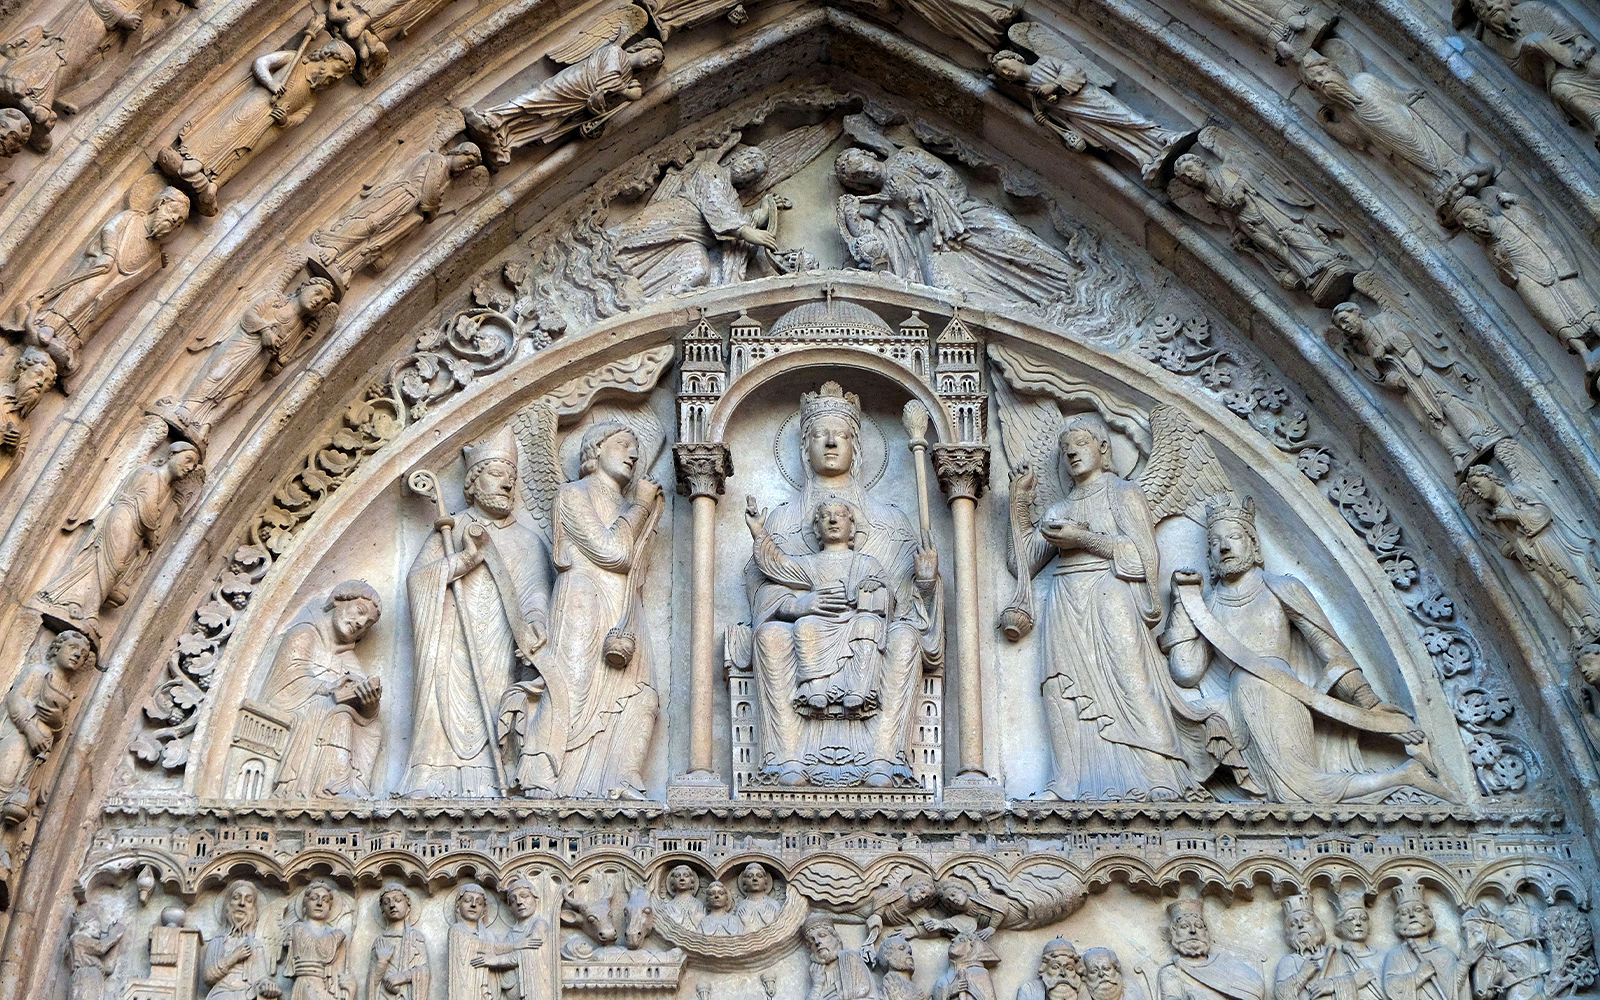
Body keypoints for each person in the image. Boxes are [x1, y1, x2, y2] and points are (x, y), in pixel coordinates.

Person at [1165, 497, 1455, 803]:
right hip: (1234, 702)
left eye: (1234, 538)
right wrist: (1182, 603)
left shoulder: (1281, 588)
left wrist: (1370, 709)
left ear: (1254, 545)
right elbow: (1186, 672)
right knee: (1177, 728)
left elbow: (1331, 651)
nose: (1223, 547)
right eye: (1214, 543)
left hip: (1276, 693)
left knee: (1300, 792)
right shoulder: (1209, 606)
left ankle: (1404, 775)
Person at [1012, 415, 1233, 801]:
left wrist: (1084, 538)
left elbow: (1143, 559)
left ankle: (1159, 777)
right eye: (1066, 449)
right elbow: (1023, 565)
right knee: (1061, 685)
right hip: (1066, 599)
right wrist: (1018, 506)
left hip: (1112, 595)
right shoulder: (1059, 509)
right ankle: (1068, 783)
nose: (1072, 452)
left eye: (1081, 442)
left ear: (1103, 448)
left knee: (1132, 682)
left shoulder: (1124, 494)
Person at [745, 383, 940, 787]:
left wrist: (925, 583)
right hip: (811, 626)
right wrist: (800, 605)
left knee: (903, 639)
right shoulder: (780, 521)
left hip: (871, 629)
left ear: (859, 448)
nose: (831, 442)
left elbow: (908, 606)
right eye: (819, 434)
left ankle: (883, 761)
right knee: (770, 636)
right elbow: (767, 582)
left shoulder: (890, 521)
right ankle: (787, 762)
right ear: (803, 448)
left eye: (843, 435)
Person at [506, 421, 661, 799]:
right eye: (624, 443)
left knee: (642, 695)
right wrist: (641, 504)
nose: (634, 453)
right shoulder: (574, 495)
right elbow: (614, 551)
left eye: (636, 446)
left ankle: (621, 777)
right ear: (595, 450)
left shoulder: (626, 506)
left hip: (623, 610)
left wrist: (644, 511)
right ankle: (543, 774)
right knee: (569, 688)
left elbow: (637, 560)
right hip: (584, 602)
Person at [406, 426, 551, 797]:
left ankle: (489, 778)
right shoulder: (451, 531)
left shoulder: (528, 541)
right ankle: (432, 777)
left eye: (512, 477)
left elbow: (536, 593)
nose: (508, 485)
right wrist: (465, 559)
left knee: (496, 702)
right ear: (472, 481)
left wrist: (535, 626)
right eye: (497, 474)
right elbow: (419, 581)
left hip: (502, 643)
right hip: (452, 637)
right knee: (445, 701)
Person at [157, 33, 357, 215]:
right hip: (257, 104)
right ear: (327, 57)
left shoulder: (313, 98)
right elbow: (261, 63)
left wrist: (285, 120)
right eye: (338, 70)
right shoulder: (296, 59)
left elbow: (300, 118)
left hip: (269, 126)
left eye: (341, 77)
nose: (337, 77)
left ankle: (213, 183)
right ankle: (195, 160)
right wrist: (271, 83)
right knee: (230, 129)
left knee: (244, 153)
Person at [37, 441, 202, 642]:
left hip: (136, 530)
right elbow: (146, 509)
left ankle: (73, 600)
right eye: (188, 460)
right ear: (172, 454)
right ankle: (89, 612)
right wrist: (151, 535)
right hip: (124, 518)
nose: (189, 467)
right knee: (111, 564)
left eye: (193, 466)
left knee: (113, 567)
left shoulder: (170, 493)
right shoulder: (149, 473)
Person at [609, 146, 788, 298]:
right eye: (749, 161)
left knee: (699, 269)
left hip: (693, 239)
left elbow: (739, 222)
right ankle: (610, 278)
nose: (748, 169)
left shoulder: (734, 201)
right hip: (674, 220)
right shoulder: (710, 170)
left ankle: (649, 301)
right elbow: (718, 208)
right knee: (623, 247)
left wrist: (765, 209)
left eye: (753, 172)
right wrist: (747, 232)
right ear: (737, 156)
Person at [259, 581, 382, 798]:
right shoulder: (305, 634)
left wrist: (369, 704)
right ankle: (326, 790)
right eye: (360, 611)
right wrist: (327, 688)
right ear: (338, 601)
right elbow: (282, 687)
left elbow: (366, 711)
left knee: (373, 727)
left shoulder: (346, 656)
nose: (361, 623)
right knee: (338, 714)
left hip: (322, 713)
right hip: (296, 712)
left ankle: (352, 788)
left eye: (368, 624)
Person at [0, 629, 92, 825]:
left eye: (83, 655)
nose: (77, 655)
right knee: (5, 782)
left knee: (22, 796)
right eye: (73, 648)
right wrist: (31, 730)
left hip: (40, 753)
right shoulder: (37, 672)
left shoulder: (66, 689)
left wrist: (58, 723)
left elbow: (58, 731)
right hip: (20, 738)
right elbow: (14, 698)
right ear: (56, 649)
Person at [1156, 900, 1264, 1000]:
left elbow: (1255, 990)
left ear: (1206, 932)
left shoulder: (1227, 963)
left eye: (1198, 926)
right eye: (1184, 926)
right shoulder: (1172, 972)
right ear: (1174, 933)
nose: (1193, 931)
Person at [1381, 882, 1470, 1000]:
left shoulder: (1445, 954)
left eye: (1418, 910)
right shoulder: (1396, 955)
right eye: (1404, 913)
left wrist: (1464, 964)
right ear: (1398, 921)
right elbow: (1391, 986)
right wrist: (1418, 976)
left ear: (1429, 916)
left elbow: (1454, 990)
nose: (1412, 915)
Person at [203, 881, 282, 1000]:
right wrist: (234, 957)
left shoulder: (255, 945)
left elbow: (261, 978)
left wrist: (267, 985)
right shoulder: (217, 942)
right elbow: (208, 976)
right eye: (236, 898)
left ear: (253, 910)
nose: (241, 904)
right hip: (221, 994)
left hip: (248, 995)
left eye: (248, 900)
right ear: (227, 905)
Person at [280, 881, 352, 1000]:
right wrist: (336, 937)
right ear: (304, 903)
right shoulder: (296, 929)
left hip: (326, 989)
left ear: (330, 907)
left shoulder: (334, 933)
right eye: (314, 898)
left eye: (325, 900)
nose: (319, 903)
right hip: (304, 985)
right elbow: (319, 948)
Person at [367, 884, 430, 1000]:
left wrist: (402, 978)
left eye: (397, 900)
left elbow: (424, 970)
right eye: (386, 902)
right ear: (382, 910)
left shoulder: (415, 937)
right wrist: (381, 963)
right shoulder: (380, 941)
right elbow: (372, 983)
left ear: (408, 905)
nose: (392, 905)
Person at [802, 916, 878, 1000]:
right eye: (811, 941)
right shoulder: (816, 971)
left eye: (822, 935)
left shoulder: (848, 956)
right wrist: (817, 985)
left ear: (835, 938)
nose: (817, 942)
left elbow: (861, 990)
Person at [1274, 896, 1333, 1000]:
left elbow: (1351, 984)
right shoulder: (1288, 962)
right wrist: (1303, 975)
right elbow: (1281, 995)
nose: (1300, 925)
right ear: (1288, 932)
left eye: (1305, 920)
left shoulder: (1333, 955)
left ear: (1317, 924)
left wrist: (1331, 985)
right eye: (1293, 924)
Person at [1016, 938, 1085, 1000]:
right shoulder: (1029, 992)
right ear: (1045, 969)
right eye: (1055, 967)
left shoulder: (1084, 992)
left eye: (1069, 968)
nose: (1063, 973)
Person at [734, 862, 782, 929]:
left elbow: (780, 932)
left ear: (765, 882)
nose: (755, 879)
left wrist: (769, 923)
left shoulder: (773, 905)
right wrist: (746, 925)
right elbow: (738, 934)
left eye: (759, 876)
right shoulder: (742, 907)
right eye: (750, 876)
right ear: (745, 883)